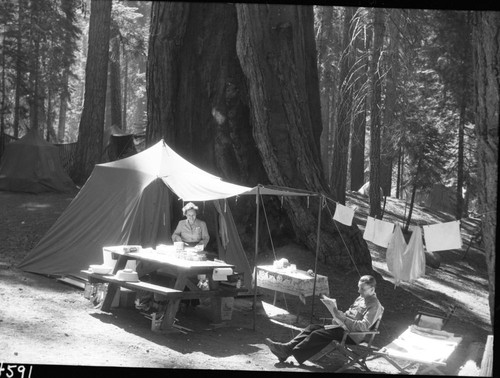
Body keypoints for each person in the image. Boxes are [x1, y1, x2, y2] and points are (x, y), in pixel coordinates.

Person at [265, 275, 383, 365]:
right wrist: (337, 315)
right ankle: (286, 350)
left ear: (372, 289)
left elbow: (363, 326)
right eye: (359, 288)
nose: (359, 291)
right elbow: (350, 313)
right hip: (342, 328)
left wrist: (343, 318)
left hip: (352, 335)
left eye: (362, 289)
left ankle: (288, 351)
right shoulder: (361, 298)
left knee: (318, 334)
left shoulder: (375, 305)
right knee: (312, 327)